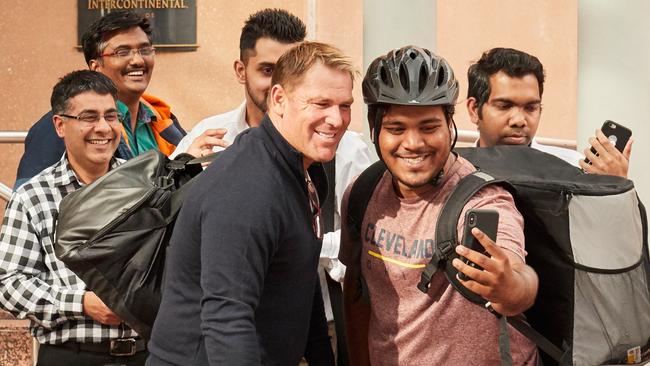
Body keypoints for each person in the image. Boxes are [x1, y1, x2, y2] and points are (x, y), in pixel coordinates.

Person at [171, 7, 372, 351]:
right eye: (320, 103)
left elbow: (302, 281)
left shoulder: (299, 169)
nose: (336, 119)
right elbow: (227, 317)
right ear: (279, 98)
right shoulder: (247, 183)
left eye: (345, 105)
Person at [340, 46, 539, 365]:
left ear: (450, 124)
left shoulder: (482, 199)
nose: (413, 143)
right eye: (396, 128)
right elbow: (358, 289)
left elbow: (519, 281)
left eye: (429, 127)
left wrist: (509, 287)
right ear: (375, 129)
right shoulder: (362, 192)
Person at [0, 70, 147, 365]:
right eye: (89, 117)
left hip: (147, 354)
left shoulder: (145, 184)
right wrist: (81, 303)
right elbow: (9, 283)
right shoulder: (34, 195)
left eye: (111, 116)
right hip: (72, 355)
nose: (103, 128)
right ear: (60, 125)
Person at [14, 10, 185, 189]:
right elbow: (33, 198)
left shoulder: (162, 119)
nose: (138, 60)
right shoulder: (65, 124)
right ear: (95, 66)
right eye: (122, 52)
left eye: (144, 50)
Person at [466, 47, 631, 177]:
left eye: (531, 107)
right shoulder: (454, 173)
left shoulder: (573, 168)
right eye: (505, 106)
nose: (519, 120)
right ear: (474, 110)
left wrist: (616, 188)